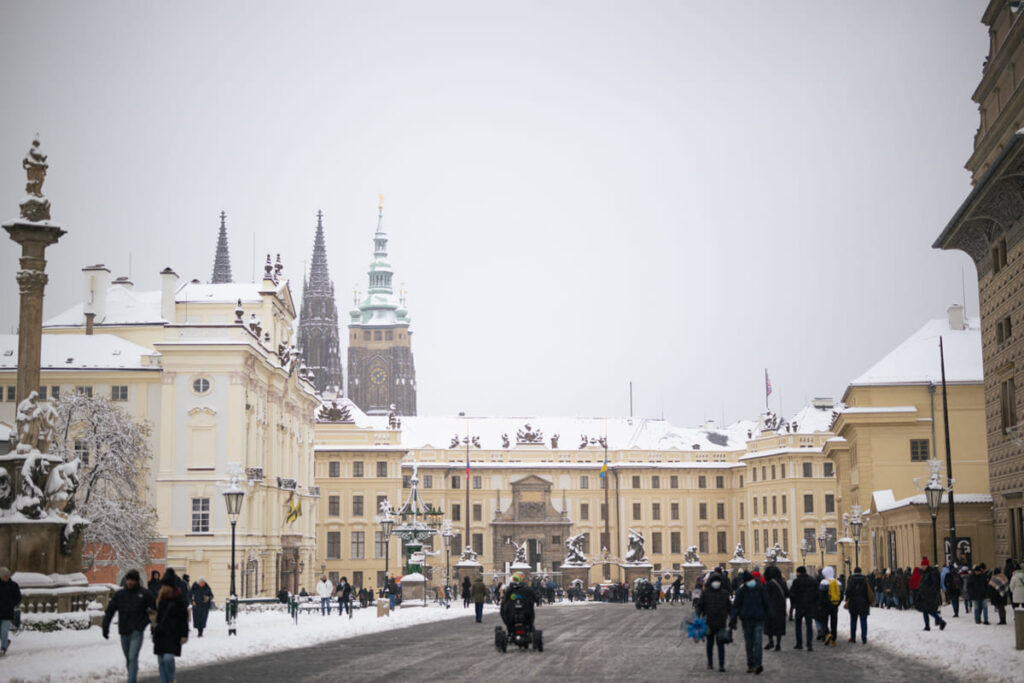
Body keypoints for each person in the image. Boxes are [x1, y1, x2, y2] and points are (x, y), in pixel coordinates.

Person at [102, 569, 155, 683]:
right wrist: (105, 626)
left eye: (132, 580)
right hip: (124, 631)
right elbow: (110, 610)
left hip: (137, 631)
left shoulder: (145, 594)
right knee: (129, 659)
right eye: (128, 580)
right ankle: (133, 671)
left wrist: (146, 624)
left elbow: (153, 611)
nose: (130, 582)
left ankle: (131, 680)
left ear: (136, 581)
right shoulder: (120, 595)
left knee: (132, 656)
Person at [729, 570, 771, 675]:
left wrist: (769, 616)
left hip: (758, 619)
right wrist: (733, 619)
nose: (749, 583)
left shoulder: (760, 589)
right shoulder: (741, 592)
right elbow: (736, 607)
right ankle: (751, 664)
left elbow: (767, 603)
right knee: (749, 643)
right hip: (747, 620)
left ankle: (758, 664)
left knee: (757, 642)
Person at [153, 568, 189, 683]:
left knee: (168, 658)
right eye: (162, 586)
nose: (163, 588)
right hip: (160, 634)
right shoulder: (160, 599)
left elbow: (184, 618)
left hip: (173, 634)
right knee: (161, 661)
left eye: (165, 586)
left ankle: (172, 678)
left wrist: (184, 634)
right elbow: (157, 617)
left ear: (171, 586)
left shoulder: (179, 599)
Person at [696, 571, 732, 672]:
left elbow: (729, 607)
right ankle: (710, 662)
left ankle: (721, 664)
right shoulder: (705, 593)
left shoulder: (724, 593)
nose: (716, 582)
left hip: (720, 622)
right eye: (714, 581)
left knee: (720, 644)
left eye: (718, 581)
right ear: (711, 582)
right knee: (710, 644)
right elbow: (700, 605)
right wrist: (698, 615)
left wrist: (732, 618)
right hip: (709, 622)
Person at [789, 566, 817, 652]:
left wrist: (794, 602)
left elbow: (792, 593)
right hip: (809, 606)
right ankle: (809, 644)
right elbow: (817, 593)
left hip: (799, 606)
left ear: (799, 572)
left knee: (798, 625)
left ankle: (799, 644)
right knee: (809, 626)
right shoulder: (812, 580)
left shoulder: (796, 581)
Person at [762, 565, 788, 652]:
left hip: (771, 607)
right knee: (779, 626)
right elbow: (787, 594)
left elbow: (765, 596)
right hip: (781, 607)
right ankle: (778, 644)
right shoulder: (783, 582)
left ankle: (770, 641)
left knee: (769, 625)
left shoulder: (769, 584)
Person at [918, 557, 947, 631]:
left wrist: (929, 591)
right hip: (924, 595)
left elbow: (935, 585)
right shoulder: (924, 573)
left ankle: (941, 621)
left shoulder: (931, 573)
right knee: (925, 611)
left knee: (930, 611)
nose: (923, 566)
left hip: (930, 596)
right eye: (922, 565)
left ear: (927, 565)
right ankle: (927, 626)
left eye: (924, 565)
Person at [845, 566, 873, 643]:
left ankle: (853, 637)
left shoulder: (851, 580)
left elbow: (848, 592)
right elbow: (870, 591)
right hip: (864, 603)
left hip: (853, 603)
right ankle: (864, 638)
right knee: (863, 621)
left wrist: (848, 598)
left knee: (853, 621)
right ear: (861, 572)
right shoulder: (866, 580)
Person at [816, 566, 841, 646]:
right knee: (834, 621)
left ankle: (827, 633)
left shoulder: (824, 582)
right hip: (834, 604)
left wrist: (819, 604)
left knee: (823, 621)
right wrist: (838, 603)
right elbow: (841, 595)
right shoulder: (838, 582)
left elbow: (820, 595)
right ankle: (834, 639)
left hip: (825, 605)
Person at [0, 567, 22, 657]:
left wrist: (11, 603)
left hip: (8, 612)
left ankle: (3, 648)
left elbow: (18, 597)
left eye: (8, 576)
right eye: (4, 576)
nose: (6, 577)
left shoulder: (13, 585)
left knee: (4, 630)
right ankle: (6, 641)